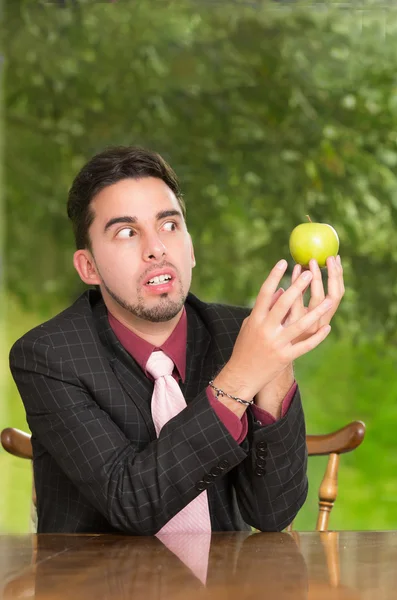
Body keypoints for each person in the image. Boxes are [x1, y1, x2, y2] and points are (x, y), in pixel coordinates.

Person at [9, 146, 344, 534]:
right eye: (127, 232)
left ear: (191, 247)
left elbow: (273, 513)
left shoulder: (241, 334)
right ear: (88, 267)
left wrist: (277, 359)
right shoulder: (48, 356)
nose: (157, 248)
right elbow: (130, 503)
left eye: (169, 225)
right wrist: (238, 379)